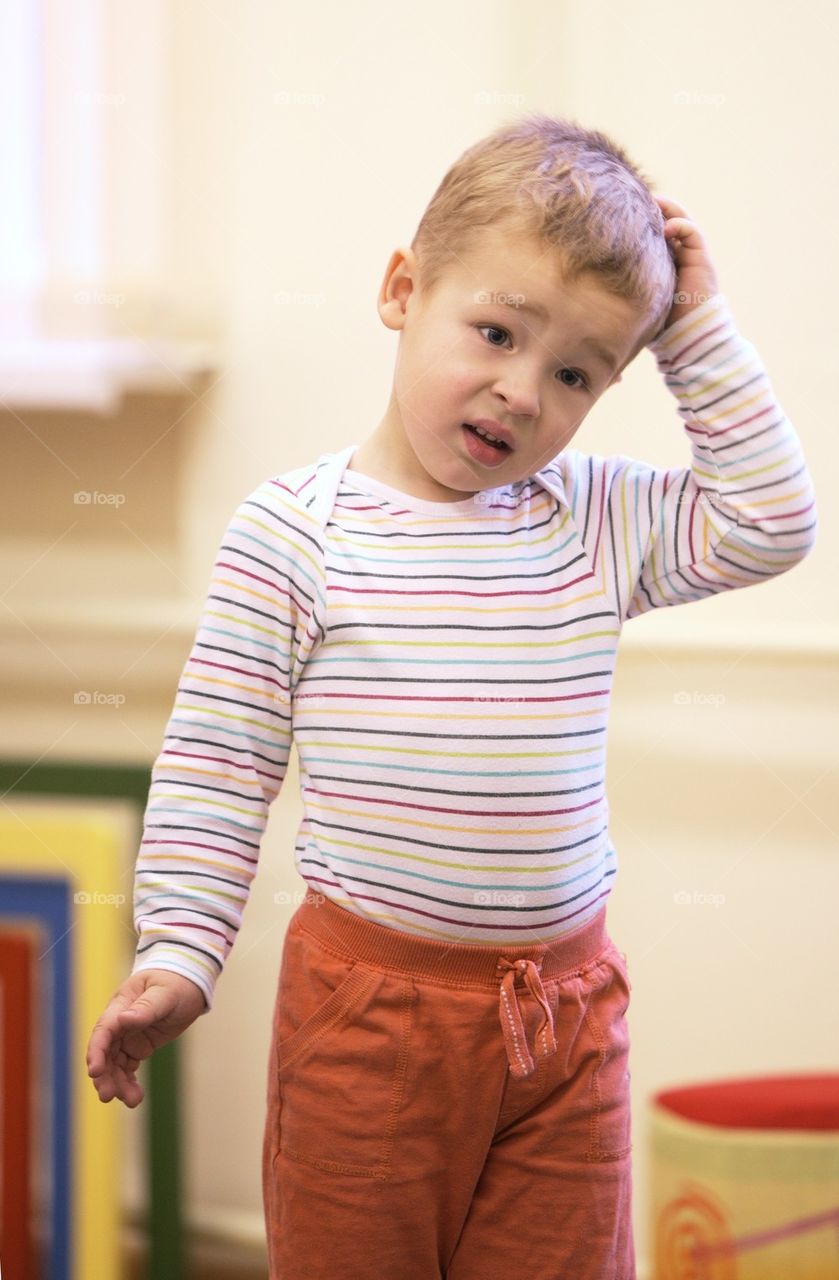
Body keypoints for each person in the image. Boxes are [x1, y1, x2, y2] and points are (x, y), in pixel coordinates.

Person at [86, 113, 817, 1279]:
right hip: (367, 1022)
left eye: (576, 371)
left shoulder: (590, 517)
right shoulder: (296, 531)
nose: (522, 392)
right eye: (493, 331)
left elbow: (767, 522)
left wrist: (695, 332)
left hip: (564, 1019)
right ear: (400, 289)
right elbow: (220, 763)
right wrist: (181, 948)